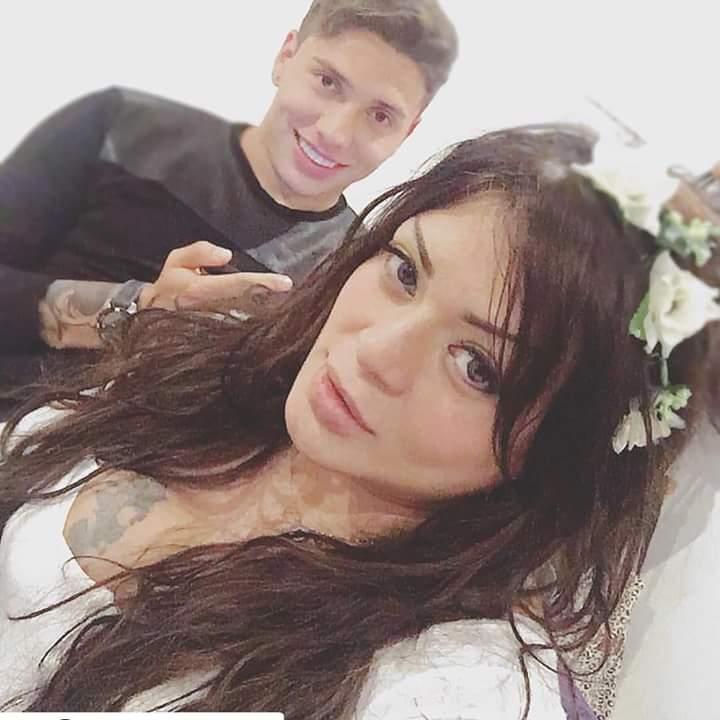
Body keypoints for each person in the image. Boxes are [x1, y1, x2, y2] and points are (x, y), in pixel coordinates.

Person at [1, 126, 718, 718]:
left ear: (561, 446)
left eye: (478, 366)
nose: (374, 352)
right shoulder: (207, 376)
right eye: (405, 272)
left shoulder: (449, 686)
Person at [0, 0, 458, 417]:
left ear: (407, 133)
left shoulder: (354, 274)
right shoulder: (120, 125)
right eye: (327, 82)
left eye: (380, 116)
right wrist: (138, 311)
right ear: (285, 57)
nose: (335, 133)